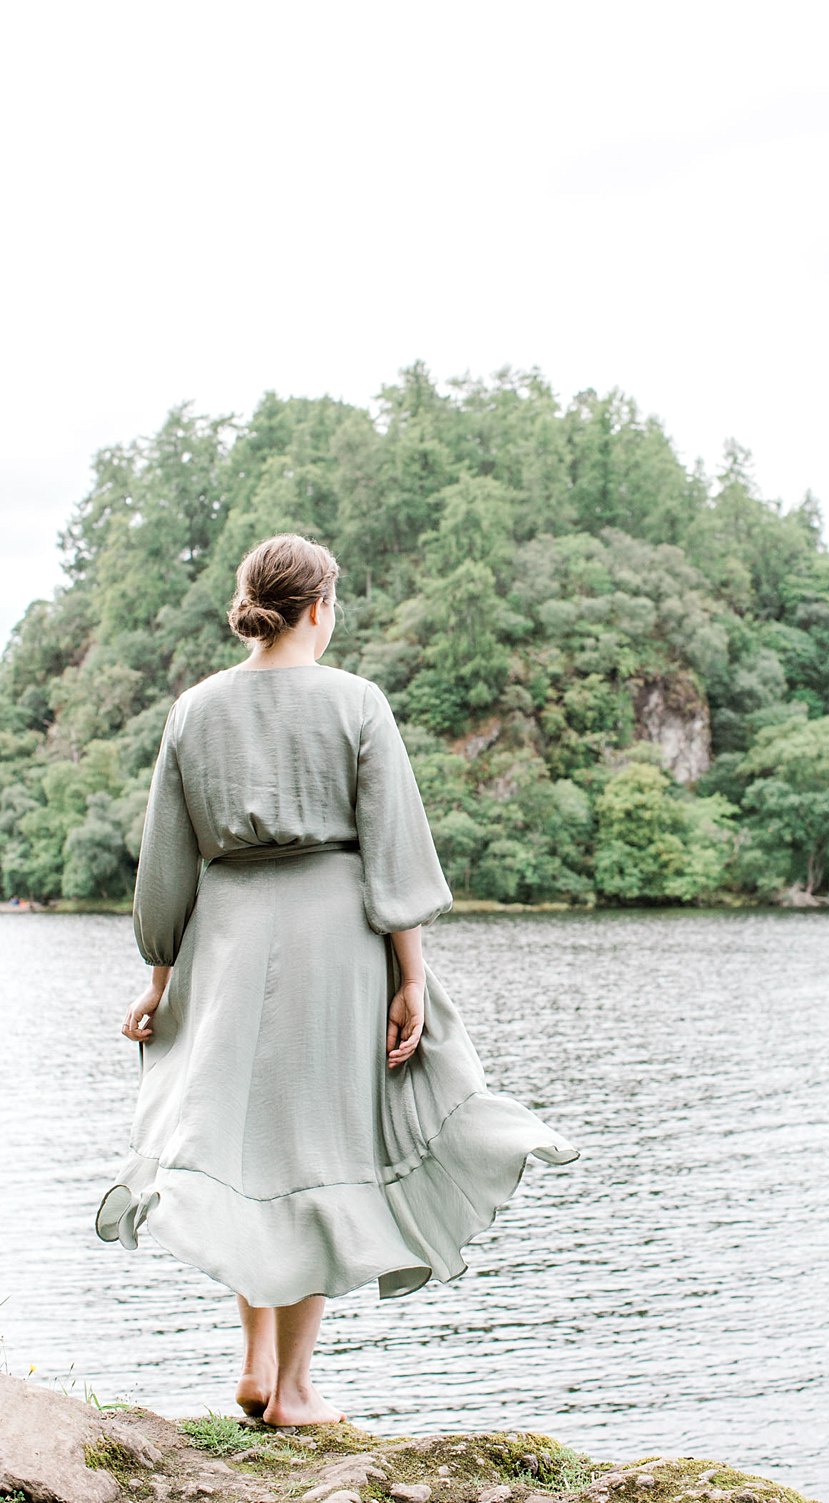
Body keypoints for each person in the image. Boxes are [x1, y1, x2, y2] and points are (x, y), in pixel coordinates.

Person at [95, 532, 580, 1428]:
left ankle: (252, 1364)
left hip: (226, 941)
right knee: (319, 1151)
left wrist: (159, 978)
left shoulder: (193, 711)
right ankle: (297, 1389)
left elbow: (165, 866)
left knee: (246, 1150)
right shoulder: (357, 702)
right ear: (320, 606)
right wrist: (412, 980)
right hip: (334, 941)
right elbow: (396, 854)